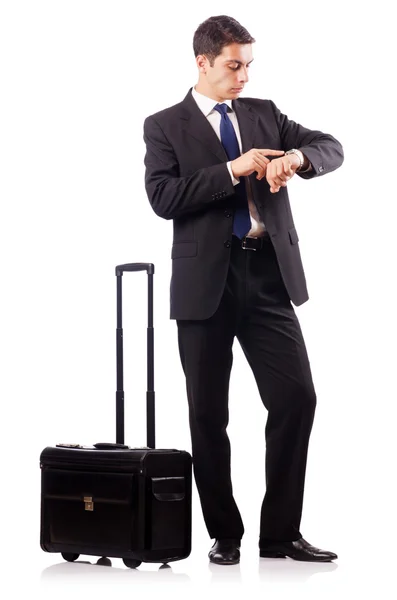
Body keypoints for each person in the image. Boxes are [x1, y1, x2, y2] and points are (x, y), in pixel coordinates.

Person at [143, 14, 344, 565]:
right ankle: (224, 533)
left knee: (297, 398)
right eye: (234, 66)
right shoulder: (164, 125)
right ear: (203, 62)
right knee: (208, 414)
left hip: (267, 277)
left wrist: (297, 159)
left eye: (249, 65)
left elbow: (331, 146)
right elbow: (163, 198)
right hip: (205, 283)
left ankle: (280, 534)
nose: (244, 78)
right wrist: (233, 169)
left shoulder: (265, 115)